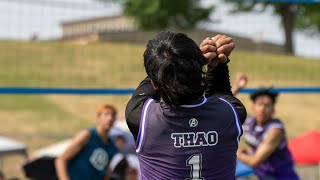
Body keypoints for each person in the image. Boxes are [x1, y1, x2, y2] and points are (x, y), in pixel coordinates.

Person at [125, 31, 247, 179]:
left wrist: (176, 63)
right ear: (198, 72)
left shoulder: (141, 117)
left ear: (154, 82)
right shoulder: (231, 114)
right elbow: (221, 96)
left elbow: (150, 84)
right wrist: (214, 64)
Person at [233, 77, 299, 179]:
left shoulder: (275, 131)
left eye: (267, 105)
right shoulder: (249, 121)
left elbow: (254, 162)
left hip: (280, 177)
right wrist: (238, 87)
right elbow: (224, 105)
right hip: (263, 175)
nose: (262, 109)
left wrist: (236, 152)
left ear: (273, 110)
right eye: (259, 104)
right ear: (253, 107)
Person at [55, 104, 118, 180]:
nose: (110, 118)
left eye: (113, 115)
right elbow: (61, 160)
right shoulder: (87, 135)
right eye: (106, 114)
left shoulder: (112, 146)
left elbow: (106, 173)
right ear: (98, 117)